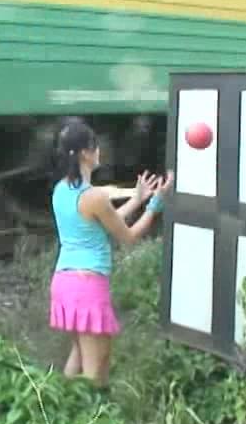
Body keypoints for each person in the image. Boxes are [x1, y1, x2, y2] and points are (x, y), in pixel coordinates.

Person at [48, 118, 173, 388]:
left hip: (64, 281)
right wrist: (155, 204)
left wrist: (137, 199)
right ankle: (90, 411)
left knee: (79, 353)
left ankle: (59, 405)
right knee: (97, 369)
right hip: (87, 285)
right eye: (95, 146)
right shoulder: (94, 197)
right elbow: (128, 237)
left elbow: (105, 222)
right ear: (85, 153)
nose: (99, 151)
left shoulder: (61, 190)